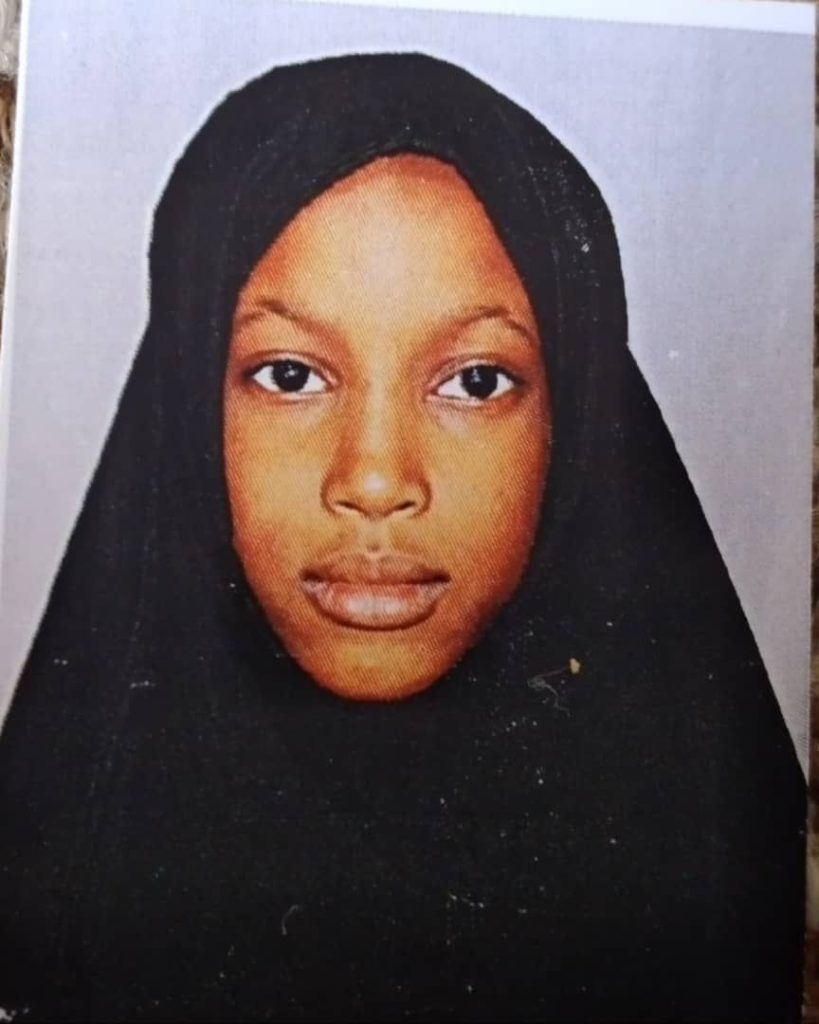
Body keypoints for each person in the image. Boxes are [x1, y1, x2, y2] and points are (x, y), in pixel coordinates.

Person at [0, 53, 805, 1022]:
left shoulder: (719, 881)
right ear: (189, 407)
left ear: (576, 425)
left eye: (475, 381)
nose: (375, 480)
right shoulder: (53, 867)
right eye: (290, 376)